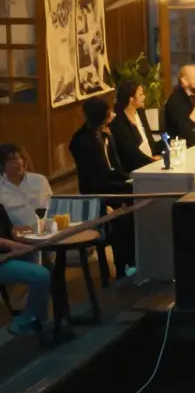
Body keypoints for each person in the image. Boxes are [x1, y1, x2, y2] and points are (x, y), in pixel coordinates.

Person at [68, 97, 136, 276]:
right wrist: (124, 185)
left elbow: (115, 167)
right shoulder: (82, 141)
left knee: (137, 195)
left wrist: (128, 179)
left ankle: (135, 258)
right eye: (108, 113)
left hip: (110, 184)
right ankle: (124, 265)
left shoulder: (104, 135)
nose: (111, 116)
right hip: (95, 191)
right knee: (123, 218)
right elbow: (95, 178)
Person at [0, 203, 50, 337]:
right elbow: (4, 241)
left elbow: (9, 231)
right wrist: (13, 245)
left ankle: (34, 319)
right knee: (41, 275)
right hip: (3, 261)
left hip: (8, 257)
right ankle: (27, 322)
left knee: (44, 268)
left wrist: (25, 234)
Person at [110, 82, 161, 173]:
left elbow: (149, 140)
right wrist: (150, 160)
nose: (144, 97)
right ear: (131, 99)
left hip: (151, 162)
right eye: (140, 95)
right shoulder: (118, 122)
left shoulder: (140, 113)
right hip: (135, 168)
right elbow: (130, 152)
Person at [0, 144, 52, 231]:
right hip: (17, 238)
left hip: (48, 232)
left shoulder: (39, 180)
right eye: (13, 159)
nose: (19, 162)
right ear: (2, 164)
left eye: (21, 158)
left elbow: (51, 208)